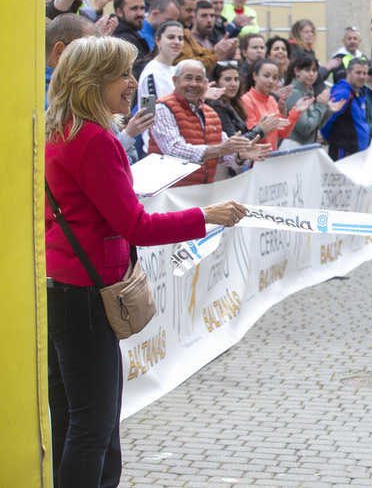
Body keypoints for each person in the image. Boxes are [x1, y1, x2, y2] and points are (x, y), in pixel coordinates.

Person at [44, 35, 248, 488]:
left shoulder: (58, 132)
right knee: (94, 427)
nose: (132, 83)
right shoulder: (94, 140)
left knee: (73, 419)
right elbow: (135, 226)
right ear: (93, 80)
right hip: (88, 295)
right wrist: (206, 215)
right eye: (123, 73)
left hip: (63, 287)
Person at [147, 60, 270, 184]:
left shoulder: (211, 113)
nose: (194, 84)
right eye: (188, 78)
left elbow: (225, 153)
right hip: (168, 194)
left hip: (202, 193)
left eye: (199, 79)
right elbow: (174, 151)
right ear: (175, 80)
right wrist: (220, 150)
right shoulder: (162, 108)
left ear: (205, 83)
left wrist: (241, 155)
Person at [243, 58, 311, 151]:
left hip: (271, 156)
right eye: (266, 76)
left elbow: (283, 134)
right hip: (254, 159)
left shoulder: (271, 100)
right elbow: (252, 136)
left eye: (275, 77)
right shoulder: (246, 100)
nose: (271, 81)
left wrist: (296, 111)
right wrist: (270, 124)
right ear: (255, 76)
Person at [280, 53, 341, 149]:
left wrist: (327, 110)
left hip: (303, 149)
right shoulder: (294, 93)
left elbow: (315, 127)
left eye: (314, 70)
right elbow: (305, 129)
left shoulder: (306, 92)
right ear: (296, 71)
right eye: (307, 70)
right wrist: (321, 105)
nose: (311, 74)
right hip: (293, 149)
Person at [319, 58, 371, 161]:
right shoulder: (343, 93)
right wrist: (324, 136)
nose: (362, 76)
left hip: (357, 152)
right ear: (348, 72)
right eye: (358, 72)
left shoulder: (359, 92)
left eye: (365, 73)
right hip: (344, 151)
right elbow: (329, 117)